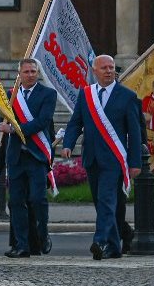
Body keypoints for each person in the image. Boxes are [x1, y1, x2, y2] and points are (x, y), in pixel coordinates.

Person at [59, 54, 144, 261]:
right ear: (94, 71)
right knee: (102, 203)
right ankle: (114, 247)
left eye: (111, 67)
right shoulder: (86, 95)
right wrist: (68, 144)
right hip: (92, 158)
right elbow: (75, 122)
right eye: (104, 67)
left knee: (106, 200)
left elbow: (135, 133)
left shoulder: (127, 96)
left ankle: (100, 241)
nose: (108, 71)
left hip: (114, 159)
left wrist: (135, 162)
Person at [4, 58, 58, 258]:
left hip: (36, 155)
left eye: (33, 71)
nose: (30, 75)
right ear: (20, 74)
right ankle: (21, 245)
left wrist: (14, 129)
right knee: (16, 202)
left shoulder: (48, 94)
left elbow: (42, 121)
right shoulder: (11, 96)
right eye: (26, 72)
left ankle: (43, 235)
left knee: (37, 199)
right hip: (16, 156)